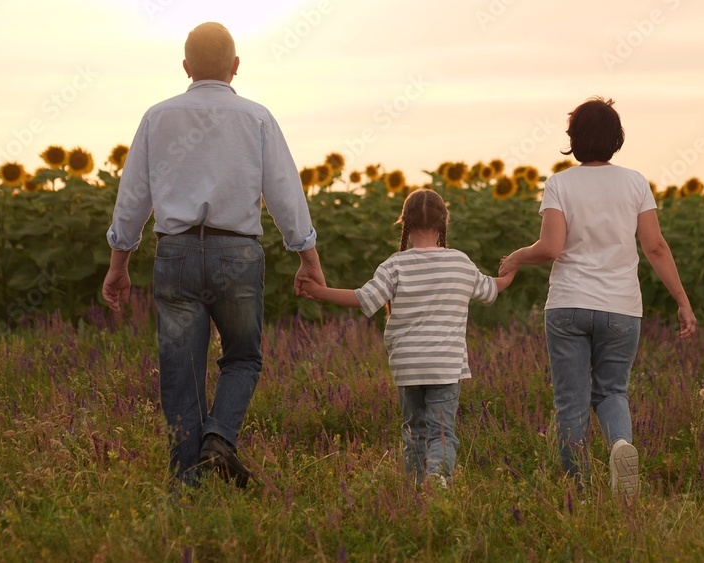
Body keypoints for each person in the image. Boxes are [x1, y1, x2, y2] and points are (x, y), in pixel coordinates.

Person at [101, 22, 325, 489]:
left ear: (185, 67)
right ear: (236, 66)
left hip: (175, 253)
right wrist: (308, 257)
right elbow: (285, 191)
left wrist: (118, 264)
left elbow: (133, 196)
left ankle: (187, 482)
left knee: (179, 370)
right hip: (237, 254)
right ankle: (219, 437)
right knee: (242, 357)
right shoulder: (257, 117)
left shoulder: (157, 117)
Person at [499, 97, 696, 498]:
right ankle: (621, 445)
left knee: (570, 400)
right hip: (622, 308)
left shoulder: (560, 183)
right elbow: (655, 247)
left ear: (573, 139)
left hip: (569, 304)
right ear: (616, 139)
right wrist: (682, 301)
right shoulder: (636, 182)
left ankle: (578, 490)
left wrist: (518, 257)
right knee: (612, 391)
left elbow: (551, 248)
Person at [300, 188, 515, 488]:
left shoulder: (395, 265)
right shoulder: (460, 262)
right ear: (443, 223)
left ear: (405, 224)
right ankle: (437, 478)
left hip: (408, 366)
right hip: (445, 366)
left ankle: (416, 486)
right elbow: (491, 290)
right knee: (442, 431)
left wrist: (320, 292)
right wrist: (510, 271)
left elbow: (364, 299)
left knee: (415, 429)